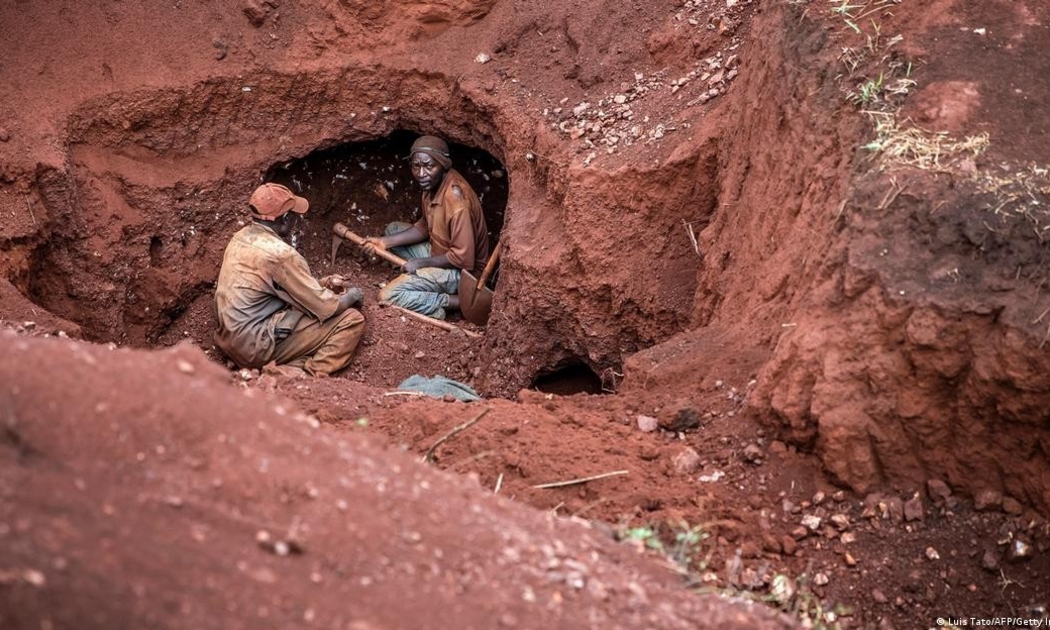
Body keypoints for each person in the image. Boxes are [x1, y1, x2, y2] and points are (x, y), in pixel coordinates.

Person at [214, 182, 365, 376]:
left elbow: (271, 287)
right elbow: (327, 308)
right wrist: (353, 295)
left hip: (230, 341)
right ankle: (308, 374)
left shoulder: (240, 238)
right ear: (285, 219)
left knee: (299, 311)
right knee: (352, 319)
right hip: (255, 348)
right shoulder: (280, 254)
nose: (296, 220)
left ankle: (283, 364)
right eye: (294, 215)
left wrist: (319, 284)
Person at [364, 135, 489, 320]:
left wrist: (420, 263)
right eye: (416, 166)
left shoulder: (457, 202)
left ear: (443, 165)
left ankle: (451, 302)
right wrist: (383, 242)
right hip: (439, 253)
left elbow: (463, 259)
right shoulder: (431, 185)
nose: (421, 173)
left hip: (461, 274)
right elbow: (424, 227)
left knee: (388, 295)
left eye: (429, 166)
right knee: (393, 231)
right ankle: (421, 283)